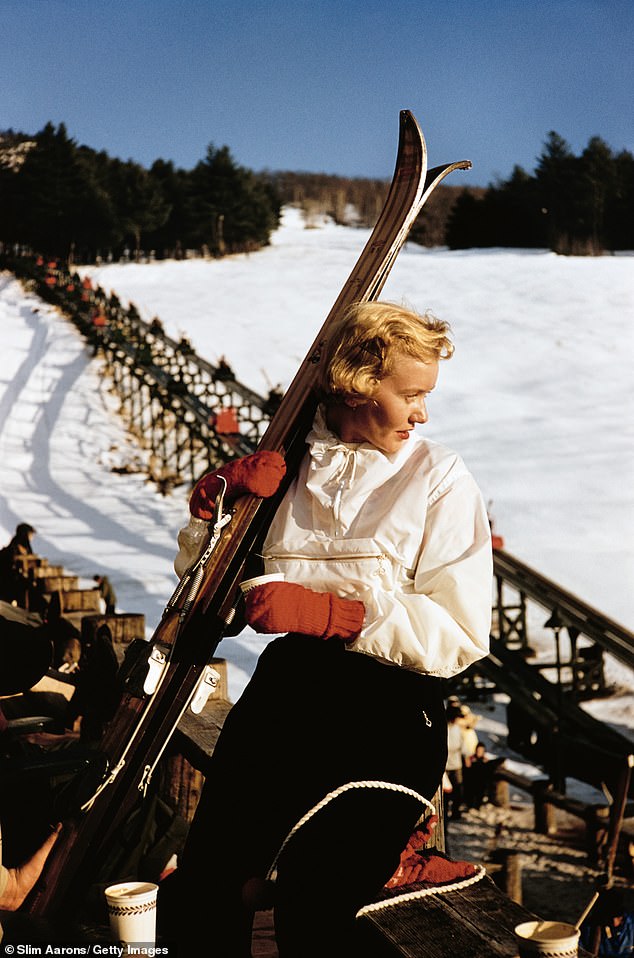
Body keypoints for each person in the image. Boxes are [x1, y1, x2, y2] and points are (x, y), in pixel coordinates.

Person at [161, 301, 493, 956]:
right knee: (209, 886)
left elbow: (459, 631)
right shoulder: (288, 468)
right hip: (287, 696)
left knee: (317, 900)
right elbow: (210, 609)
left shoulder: (437, 478)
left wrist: (338, 616)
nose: (423, 413)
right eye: (413, 395)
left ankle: (392, 852)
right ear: (361, 384)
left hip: (390, 709)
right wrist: (216, 515)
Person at [0, 523, 36, 606]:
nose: (32, 537)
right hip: (11, 582)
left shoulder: (26, 547)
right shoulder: (14, 548)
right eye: (30, 534)